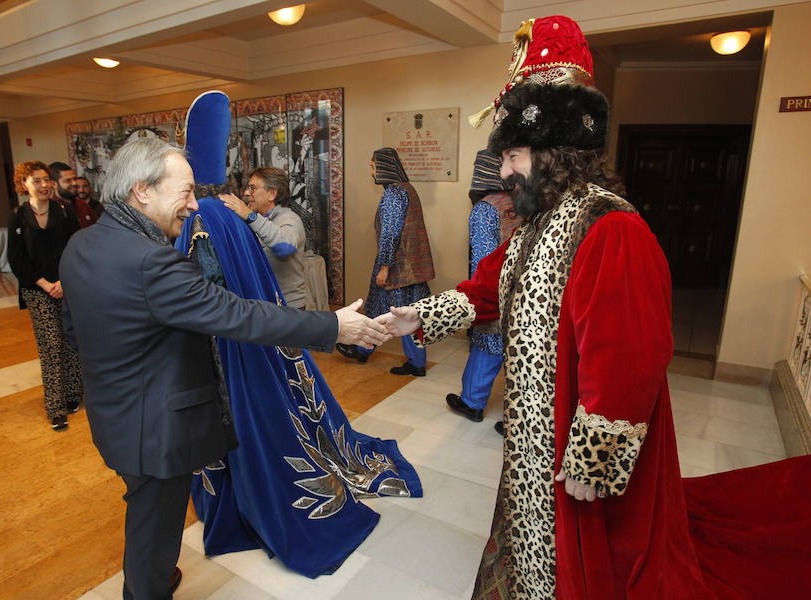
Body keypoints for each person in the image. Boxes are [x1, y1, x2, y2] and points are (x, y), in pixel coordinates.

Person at [376, 16, 811, 600]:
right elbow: (488, 287)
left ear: (556, 154)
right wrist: (421, 316)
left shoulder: (611, 227)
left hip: (571, 446)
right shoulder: (536, 224)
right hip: (531, 432)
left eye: (515, 156)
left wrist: (594, 457)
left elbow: (632, 355)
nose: (504, 173)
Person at [59, 133, 390, 600]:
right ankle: (145, 589)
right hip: (153, 427)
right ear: (142, 191)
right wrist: (331, 325)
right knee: (157, 515)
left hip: (112, 412)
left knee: (144, 506)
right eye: (186, 191)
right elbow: (239, 314)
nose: (195, 206)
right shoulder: (152, 261)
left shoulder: (82, 244)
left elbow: (73, 327)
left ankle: (151, 575)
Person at [177, 197, 422, 578]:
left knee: (251, 419)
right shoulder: (220, 218)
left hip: (238, 332)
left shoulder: (205, 221)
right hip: (257, 325)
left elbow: (218, 289)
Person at [336, 148, 435, 376]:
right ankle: (410, 360)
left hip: (397, 269)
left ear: (382, 168)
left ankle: (363, 350)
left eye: (372, 167)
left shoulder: (393, 194)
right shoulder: (409, 189)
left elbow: (390, 234)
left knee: (387, 312)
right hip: (412, 267)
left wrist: (384, 267)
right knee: (410, 314)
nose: (371, 172)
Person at [8, 161, 82, 431]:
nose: (44, 185)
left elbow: (76, 248)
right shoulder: (18, 217)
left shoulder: (64, 211)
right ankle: (55, 406)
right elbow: (16, 259)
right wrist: (45, 284)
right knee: (50, 345)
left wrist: (63, 281)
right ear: (24, 185)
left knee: (71, 339)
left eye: (46, 179)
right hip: (37, 290)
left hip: (67, 285)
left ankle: (75, 394)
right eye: (36, 180)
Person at [445, 150, 518, 423]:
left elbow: (483, 261)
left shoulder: (486, 209)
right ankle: (518, 418)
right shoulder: (521, 202)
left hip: (495, 294)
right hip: (522, 291)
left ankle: (471, 402)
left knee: (487, 343)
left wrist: (476, 300)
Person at [219, 166, 309, 308]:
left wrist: (249, 215)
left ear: (272, 194)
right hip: (264, 304)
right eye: (248, 187)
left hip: (289, 307)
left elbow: (286, 247)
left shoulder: (290, 218)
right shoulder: (257, 220)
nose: (246, 193)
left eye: (253, 188)